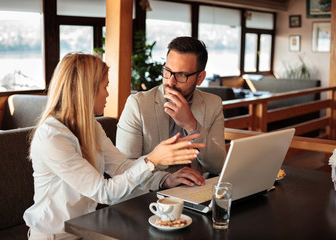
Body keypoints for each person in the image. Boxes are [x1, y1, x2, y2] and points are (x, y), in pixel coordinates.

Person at [23, 52, 205, 239]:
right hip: (55, 236)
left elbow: (122, 167)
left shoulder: (91, 126)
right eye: (105, 87)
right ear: (88, 91)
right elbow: (103, 192)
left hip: (84, 229)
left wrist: (165, 179)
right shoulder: (52, 137)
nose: (108, 93)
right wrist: (152, 160)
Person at [116, 36, 226, 196]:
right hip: (146, 196)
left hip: (192, 194)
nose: (171, 82)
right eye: (167, 71)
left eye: (181, 75)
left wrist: (192, 126)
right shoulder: (138, 105)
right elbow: (123, 169)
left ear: (200, 78)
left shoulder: (213, 104)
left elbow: (218, 166)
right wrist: (165, 179)